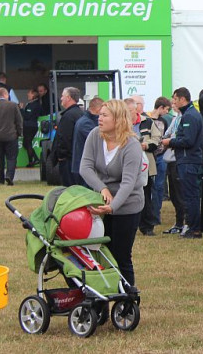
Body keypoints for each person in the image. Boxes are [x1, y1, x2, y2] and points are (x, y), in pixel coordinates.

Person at [81, 99, 146, 287]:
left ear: (118, 119)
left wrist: (112, 207)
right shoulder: (94, 136)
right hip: (100, 203)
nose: (99, 118)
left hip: (127, 206)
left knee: (121, 255)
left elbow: (128, 182)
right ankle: (103, 297)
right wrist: (102, 188)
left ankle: (127, 301)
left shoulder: (131, 145)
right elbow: (85, 167)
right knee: (101, 254)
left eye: (104, 115)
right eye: (99, 114)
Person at [160, 87, 203, 239]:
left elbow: (188, 140)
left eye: (175, 99)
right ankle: (193, 227)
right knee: (190, 195)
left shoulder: (190, 116)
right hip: (187, 160)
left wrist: (170, 141)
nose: (173, 102)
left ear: (182, 99)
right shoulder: (188, 114)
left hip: (188, 161)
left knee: (190, 196)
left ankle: (194, 229)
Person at [135, 95, 164, 236]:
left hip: (145, 165)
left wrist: (146, 145)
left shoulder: (147, 122)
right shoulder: (121, 122)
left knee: (146, 195)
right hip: (127, 165)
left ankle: (147, 226)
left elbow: (157, 139)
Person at [144, 97, 171, 231]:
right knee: (149, 187)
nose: (167, 112)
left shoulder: (164, 121)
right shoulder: (146, 119)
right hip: (149, 156)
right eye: (166, 109)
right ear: (160, 107)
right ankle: (149, 215)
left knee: (159, 187)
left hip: (160, 157)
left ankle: (156, 215)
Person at [52, 86, 83, 187]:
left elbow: (64, 138)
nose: (61, 98)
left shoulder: (68, 116)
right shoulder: (80, 113)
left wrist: (61, 156)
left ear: (69, 97)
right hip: (76, 158)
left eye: (62, 96)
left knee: (69, 188)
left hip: (68, 160)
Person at [71, 97, 104, 188]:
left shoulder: (84, 120)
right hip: (84, 167)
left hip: (81, 166)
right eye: (103, 112)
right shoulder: (86, 123)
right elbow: (99, 140)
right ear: (98, 109)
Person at [0, 87, 23, 185]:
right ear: (6, 95)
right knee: (11, 158)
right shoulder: (13, 105)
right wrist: (20, 133)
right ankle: (9, 176)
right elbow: (19, 121)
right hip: (11, 136)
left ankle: (0, 179)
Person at [20, 88, 41, 167]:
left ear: (33, 95)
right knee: (26, 144)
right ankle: (34, 159)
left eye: (29, 93)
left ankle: (32, 161)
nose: (27, 94)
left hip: (29, 126)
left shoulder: (33, 105)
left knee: (28, 144)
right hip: (31, 126)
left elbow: (27, 116)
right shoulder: (33, 104)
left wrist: (21, 109)